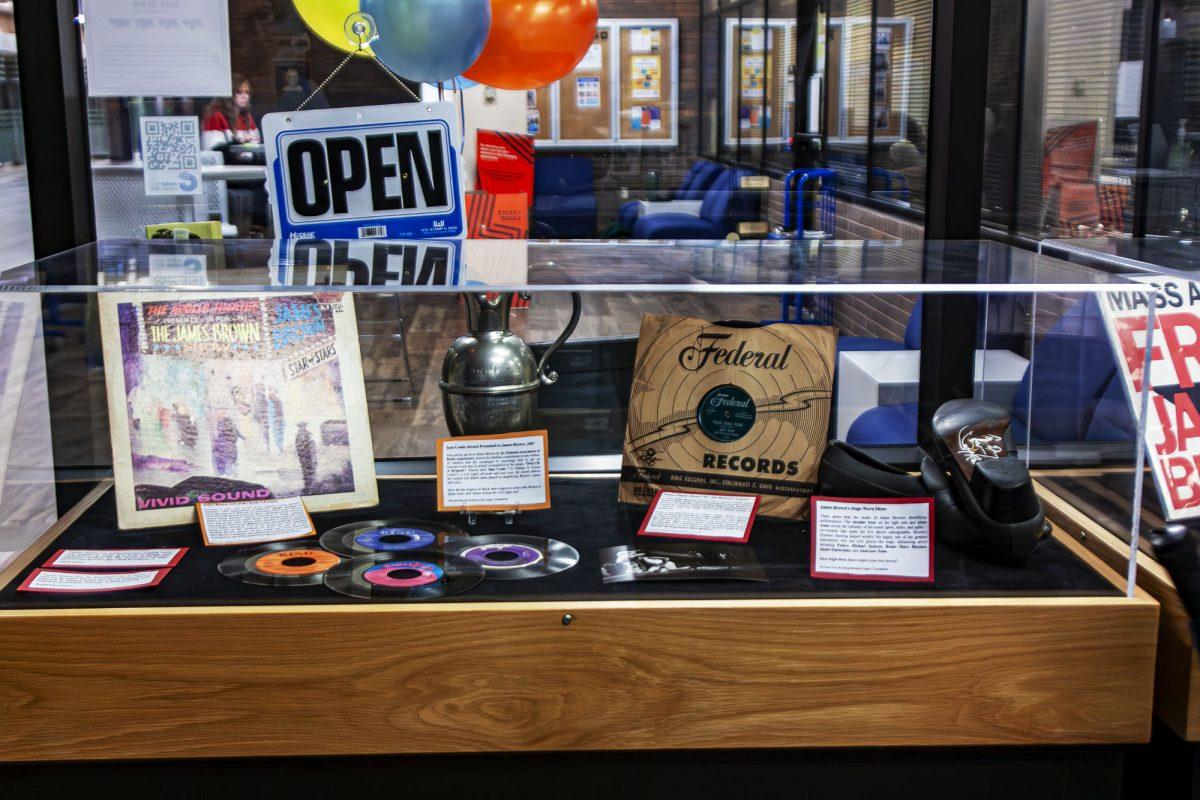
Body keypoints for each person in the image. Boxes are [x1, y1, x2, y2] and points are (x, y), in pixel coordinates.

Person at [202, 74, 261, 150]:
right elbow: (213, 150)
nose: (245, 96)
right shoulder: (216, 116)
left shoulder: (246, 116)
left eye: (247, 92)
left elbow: (256, 145)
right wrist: (238, 142)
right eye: (239, 92)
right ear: (230, 93)